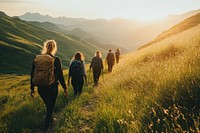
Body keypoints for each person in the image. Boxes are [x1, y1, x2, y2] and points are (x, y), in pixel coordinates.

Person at [30, 40, 68, 131]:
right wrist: (65, 88)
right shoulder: (56, 59)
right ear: (54, 48)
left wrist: (32, 88)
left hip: (40, 88)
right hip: (52, 88)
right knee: (50, 109)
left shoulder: (37, 58)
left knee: (48, 106)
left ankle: (50, 121)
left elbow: (32, 74)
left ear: (45, 47)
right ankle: (46, 129)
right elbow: (60, 75)